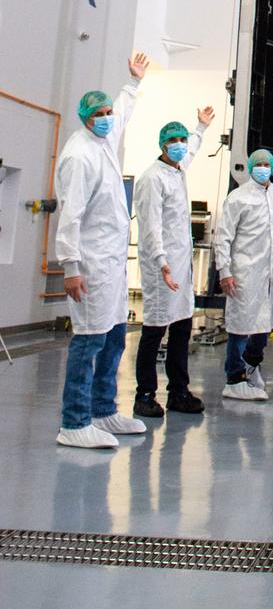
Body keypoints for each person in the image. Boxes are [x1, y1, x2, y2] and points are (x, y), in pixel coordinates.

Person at [55, 52, 151, 449]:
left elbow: (124, 112)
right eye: (100, 113)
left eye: (109, 111)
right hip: (90, 265)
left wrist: (133, 83)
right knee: (88, 340)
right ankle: (74, 423)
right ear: (85, 117)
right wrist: (71, 267)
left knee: (113, 335)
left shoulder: (104, 142)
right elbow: (70, 216)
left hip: (110, 264)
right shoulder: (79, 156)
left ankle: (103, 411)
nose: (108, 116)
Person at [133, 108, 215, 418]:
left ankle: (178, 391)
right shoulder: (152, 179)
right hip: (161, 266)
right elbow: (150, 226)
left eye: (182, 139)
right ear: (162, 145)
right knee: (154, 328)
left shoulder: (178, 169)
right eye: (174, 140)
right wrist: (162, 262)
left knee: (182, 326)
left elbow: (191, 151)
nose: (181, 144)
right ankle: (144, 395)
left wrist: (200, 128)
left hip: (181, 265)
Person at [214, 148, 273, 401]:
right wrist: (225, 271)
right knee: (240, 324)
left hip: (270, 271)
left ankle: (251, 364)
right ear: (250, 166)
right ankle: (233, 378)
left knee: (264, 322)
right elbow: (223, 237)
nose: (263, 168)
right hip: (244, 271)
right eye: (259, 164)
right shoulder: (238, 197)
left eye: (267, 164)